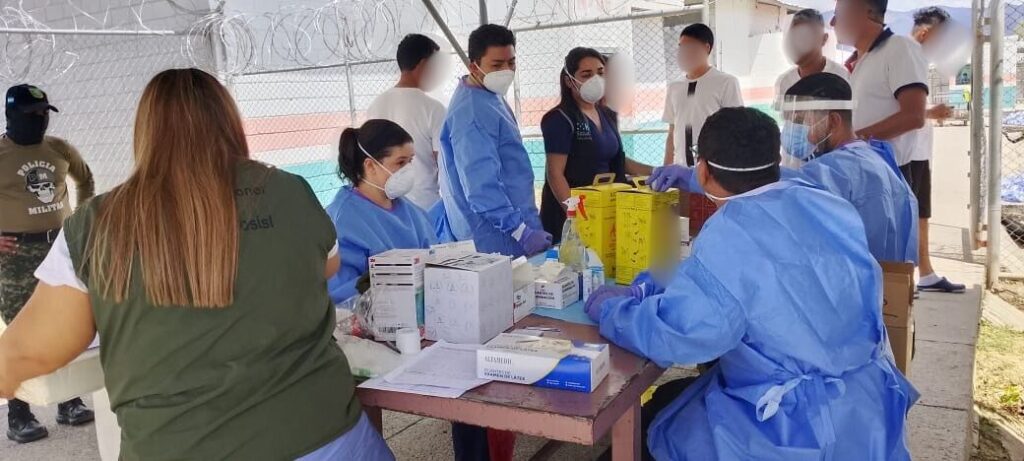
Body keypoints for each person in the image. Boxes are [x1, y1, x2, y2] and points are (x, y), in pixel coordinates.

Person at [0, 69, 394, 460]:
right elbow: (325, 267)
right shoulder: (290, 191)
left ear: (145, 132)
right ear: (230, 122)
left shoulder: (96, 224)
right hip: (330, 438)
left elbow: (28, 353)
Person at [586, 107, 917, 460]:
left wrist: (612, 309)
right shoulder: (824, 202)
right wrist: (694, 181)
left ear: (704, 169)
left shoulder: (731, 234)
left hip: (794, 428)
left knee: (648, 434)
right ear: (775, 159)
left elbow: (677, 336)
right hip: (867, 410)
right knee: (672, 398)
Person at [652, 73, 919, 264]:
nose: (793, 130)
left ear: (833, 121)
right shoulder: (872, 158)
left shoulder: (842, 172)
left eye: (801, 120)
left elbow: (772, 183)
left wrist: (697, 177)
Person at [832, 0, 962, 293]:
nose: (833, 22)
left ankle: (902, 301)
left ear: (864, 13)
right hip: (865, 174)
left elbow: (913, 115)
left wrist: (856, 138)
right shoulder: (863, 60)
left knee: (889, 271)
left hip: (888, 175)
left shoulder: (899, 48)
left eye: (839, 15)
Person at [0, 84, 95, 443]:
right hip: (15, 255)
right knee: (20, 329)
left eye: (43, 114)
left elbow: (85, 180)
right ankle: (19, 415)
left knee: (63, 323)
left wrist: (80, 218)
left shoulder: (59, 148)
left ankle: (68, 403)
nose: (39, 120)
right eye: (31, 115)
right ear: (11, 116)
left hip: (59, 246)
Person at [438, 24, 550, 258]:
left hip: (512, 224)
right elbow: (480, 186)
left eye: (511, 63)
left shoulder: (488, 95)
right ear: (474, 66)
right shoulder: (471, 113)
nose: (506, 71)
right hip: (498, 236)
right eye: (497, 65)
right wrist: (521, 232)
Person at [539, 47, 652, 240]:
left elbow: (619, 160)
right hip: (571, 213)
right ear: (569, 81)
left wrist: (657, 172)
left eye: (600, 73)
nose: (596, 79)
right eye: (586, 74)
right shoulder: (559, 119)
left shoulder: (607, 115)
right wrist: (575, 215)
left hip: (603, 208)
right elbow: (555, 173)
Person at [325, 119, 438, 304]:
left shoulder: (409, 210)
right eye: (400, 162)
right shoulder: (343, 221)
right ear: (370, 166)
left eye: (410, 161)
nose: (409, 170)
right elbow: (343, 296)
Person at [662, 23, 743, 236]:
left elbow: (735, 129)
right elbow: (672, 131)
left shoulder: (726, 82)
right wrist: (667, 168)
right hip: (681, 173)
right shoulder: (674, 87)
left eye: (690, 47)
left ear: (706, 48)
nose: (684, 53)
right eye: (681, 47)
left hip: (712, 175)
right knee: (682, 232)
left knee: (714, 231)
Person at [908, 6, 965, 293]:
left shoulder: (919, 61)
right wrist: (932, 112)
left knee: (921, 213)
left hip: (919, 151)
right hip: (904, 151)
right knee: (906, 215)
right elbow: (895, 108)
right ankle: (904, 277)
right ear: (924, 33)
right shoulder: (905, 58)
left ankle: (926, 272)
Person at [366, 34, 449, 211]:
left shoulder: (375, 105)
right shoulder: (433, 109)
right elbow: (444, 163)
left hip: (387, 205)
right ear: (424, 64)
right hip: (426, 206)